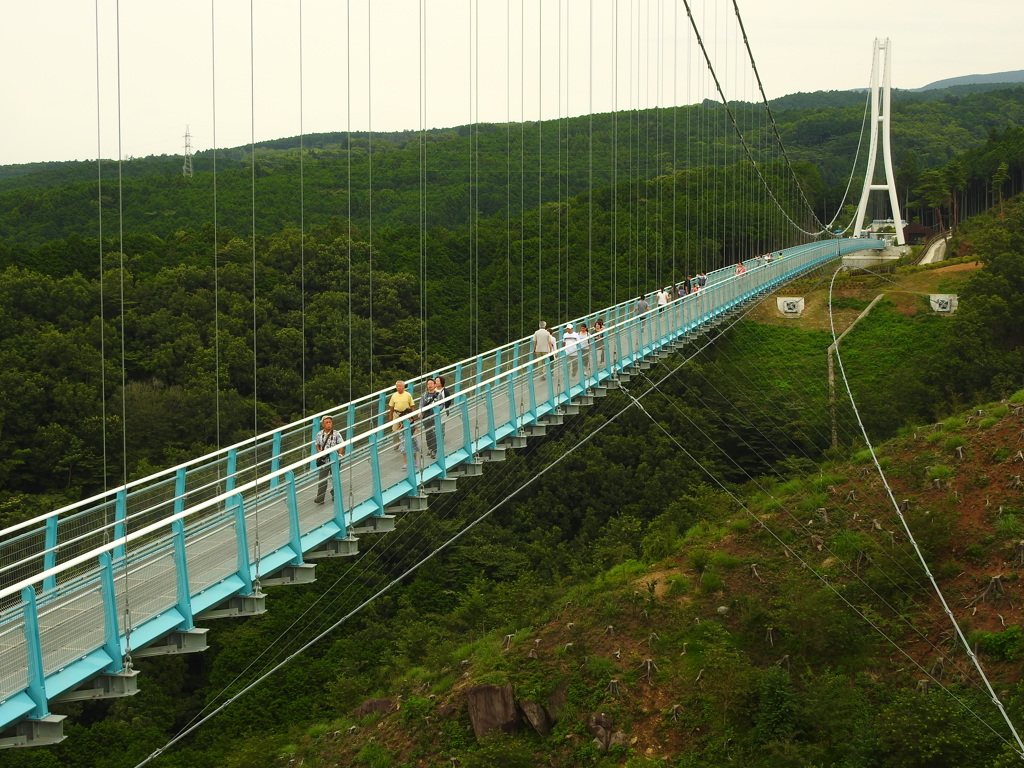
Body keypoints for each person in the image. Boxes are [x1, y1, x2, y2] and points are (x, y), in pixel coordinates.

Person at [313, 415, 344, 504]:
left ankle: (335, 495)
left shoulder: (336, 433)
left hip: (334, 460)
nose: (329, 424)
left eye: (330, 422)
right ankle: (320, 498)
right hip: (323, 460)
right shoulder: (319, 434)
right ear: (323, 424)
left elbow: (341, 444)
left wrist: (340, 454)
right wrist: (319, 451)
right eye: (326, 422)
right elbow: (317, 444)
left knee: (335, 478)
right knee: (322, 479)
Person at [387, 380, 415, 451]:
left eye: (400, 386)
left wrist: (412, 415)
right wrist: (390, 415)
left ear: (403, 387)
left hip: (406, 414)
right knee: (394, 430)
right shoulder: (394, 395)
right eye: (397, 386)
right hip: (396, 414)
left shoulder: (408, 395)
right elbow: (391, 407)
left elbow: (412, 405)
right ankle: (397, 443)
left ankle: (408, 443)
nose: (398, 388)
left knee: (406, 429)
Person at [418, 378, 442, 458]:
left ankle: (434, 450)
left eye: (432, 384)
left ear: (435, 385)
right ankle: (430, 448)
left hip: (434, 416)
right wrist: (420, 412)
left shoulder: (438, 394)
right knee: (428, 433)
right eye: (428, 384)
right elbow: (421, 405)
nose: (430, 385)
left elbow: (442, 404)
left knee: (433, 432)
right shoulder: (425, 395)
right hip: (426, 417)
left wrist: (437, 409)